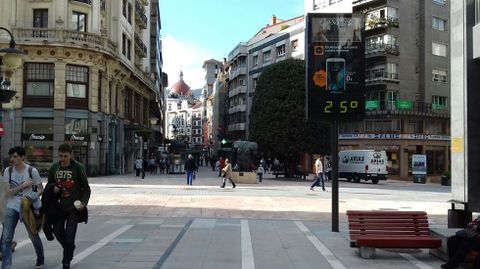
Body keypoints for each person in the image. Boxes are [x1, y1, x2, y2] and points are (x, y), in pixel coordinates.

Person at [47, 143, 91, 269]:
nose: (63, 159)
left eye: (65, 156)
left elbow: (86, 188)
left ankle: (66, 262)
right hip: (58, 207)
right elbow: (49, 185)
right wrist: (53, 189)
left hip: (73, 208)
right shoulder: (54, 168)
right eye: (60, 156)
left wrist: (83, 203)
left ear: (70, 155)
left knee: (70, 236)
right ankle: (69, 248)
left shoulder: (78, 167)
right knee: (57, 231)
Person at [1, 146, 44, 269]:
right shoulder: (8, 171)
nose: (12, 159)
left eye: (15, 156)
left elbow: (39, 189)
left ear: (22, 157)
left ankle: (40, 258)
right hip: (12, 206)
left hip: (27, 207)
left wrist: (31, 196)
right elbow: (8, 193)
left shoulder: (31, 171)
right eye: (11, 157)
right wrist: (22, 186)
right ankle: (5, 266)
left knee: (33, 235)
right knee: (6, 238)